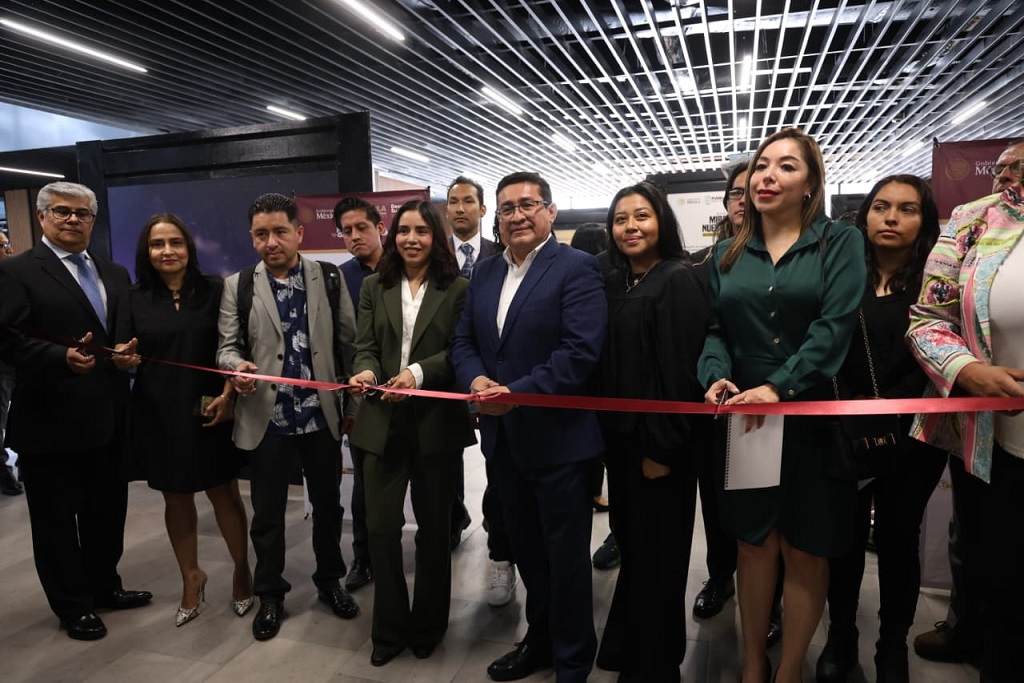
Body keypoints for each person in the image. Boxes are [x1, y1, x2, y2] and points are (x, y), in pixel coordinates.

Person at [697, 129, 866, 683]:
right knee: (754, 544)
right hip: (748, 420)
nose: (767, 175)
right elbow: (716, 330)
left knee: (806, 548)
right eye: (762, 164)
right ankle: (752, 664)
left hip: (813, 417)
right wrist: (715, 375)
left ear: (811, 183)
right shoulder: (727, 252)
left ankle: (790, 669)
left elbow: (834, 328)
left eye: (787, 166)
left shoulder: (839, 242)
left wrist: (779, 386)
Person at [451, 171, 606, 683]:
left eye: (528, 205)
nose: (517, 215)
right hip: (504, 445)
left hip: (560, 443)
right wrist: (476, 380)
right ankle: (539, 641)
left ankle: (573, 660)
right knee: (529, 554)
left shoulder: (577, 268)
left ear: (551, 211)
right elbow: (464, 342)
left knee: (565, 560)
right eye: (507, 208)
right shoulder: (485, 274)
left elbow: (579, 353)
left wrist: (512, 395)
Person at [0, 181, 152, 641]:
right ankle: (72, 605)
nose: (72, 219)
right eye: (62, 211)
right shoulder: (17, 271)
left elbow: (119, 333)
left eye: (82, 213)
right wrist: (57, 357)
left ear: (93, 220)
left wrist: (124, 355)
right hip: (50, 423)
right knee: (56, 522)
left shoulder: (114, 272)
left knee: (107, 511)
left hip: (109, 418)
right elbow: (6, 338)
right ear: (42, 217)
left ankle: (105, 585)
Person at [815, 176, 946, 682]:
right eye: (881, 207)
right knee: (844, 539)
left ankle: (892, 646)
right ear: (864, 215)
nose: (891, 218)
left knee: (898, 539)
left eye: (907, 209)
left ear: (924, 221)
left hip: (914, 437)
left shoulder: (939, 283)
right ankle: (841, 636)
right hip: (845, 430)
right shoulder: (839, 273)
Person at [217, 192, 358, 641]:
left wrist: (352, 405)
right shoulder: (238, 285)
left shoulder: (329, 278)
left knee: (328, 507)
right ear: (251, 237)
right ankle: (270, 594)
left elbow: (350, 346)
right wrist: (236, 368)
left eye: (280, 232)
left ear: (299, 233)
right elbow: (226, 347)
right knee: (268, 514)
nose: (271, 242)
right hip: (267, 419)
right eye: (261, 234)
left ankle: (330, 580)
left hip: (320, 416)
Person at [905, 177, 1024, 682]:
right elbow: (928, 319)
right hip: (998, 446)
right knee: (1001, 590)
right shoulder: (973, 219)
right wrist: (968, 371)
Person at [347, 200, 476, 666]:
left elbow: (458, 350)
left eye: (421, 231)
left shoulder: (458, 288)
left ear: (435, 237)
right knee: (381, 529)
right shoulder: (373, 286)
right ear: (393, 235)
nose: (411, 239)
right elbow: (364, 345)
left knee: (434, 532)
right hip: (381, 421)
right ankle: (389, 629)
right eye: (404, 230)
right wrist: (365, 371)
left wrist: (416, 374)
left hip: (435, 423)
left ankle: (428, 626)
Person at [113, 214, 253, 627]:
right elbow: (122, 354)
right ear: (147, 252)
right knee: (175, 497)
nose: (167, 251)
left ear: (188, 247)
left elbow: (234, 347)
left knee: (224, 493)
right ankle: (191, 577)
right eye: (157, 244)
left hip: (210, 406)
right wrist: (122, 359)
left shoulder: (215, 290)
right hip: (157, 411)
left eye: (175, 242)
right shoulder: (133, 297)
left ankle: (242, 571)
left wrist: (228, 396)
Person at [594, 181, 708, 682]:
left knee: (660, 558)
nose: (630, 227)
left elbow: (681, 375)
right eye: (621, 219)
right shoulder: (616, 280)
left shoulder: (677, 279)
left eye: (641, 216)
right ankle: (626, 645)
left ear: (661, 220)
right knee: (634, 549)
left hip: (660, 448)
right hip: (620, 444)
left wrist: (662, 449)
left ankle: (656, 666)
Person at [691, 164, 785, 649]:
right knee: (717, 499)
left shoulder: (791, 258)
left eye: (754, 190)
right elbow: (709, 331)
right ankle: (719, 576)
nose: (745, 199)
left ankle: (772, 602)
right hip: (720, 401)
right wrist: (712, 376)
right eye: (736, 192)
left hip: (779, 402)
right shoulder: (704, 262)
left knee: (769, 510)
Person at [446, 176, 518, 607]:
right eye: (453, 201)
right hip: (449, 382)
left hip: (499, 389)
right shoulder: (434, 254)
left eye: (468, 201)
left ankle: (502, 551)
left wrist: (487, 387)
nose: (460, 208)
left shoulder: (501, 254)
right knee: (448, 465)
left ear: (482, 209)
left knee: (499, 476)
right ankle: (455, 520)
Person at [334, 196, 386, 593]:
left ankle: (453, 522)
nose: (354, 236)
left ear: (380, 227)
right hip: (363, 393)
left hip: (413, 387)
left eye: (361, 228)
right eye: (346, 231)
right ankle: (363, 558)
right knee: (365, 484)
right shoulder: (338, 279)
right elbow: (342, 343)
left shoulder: (405, 266)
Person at [0, 231, 24, 496]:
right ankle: (3, 472)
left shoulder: (16, 277)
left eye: (8, 244)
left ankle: (25, 462)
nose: (8, 250)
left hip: (23, 358)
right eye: (3, 246)